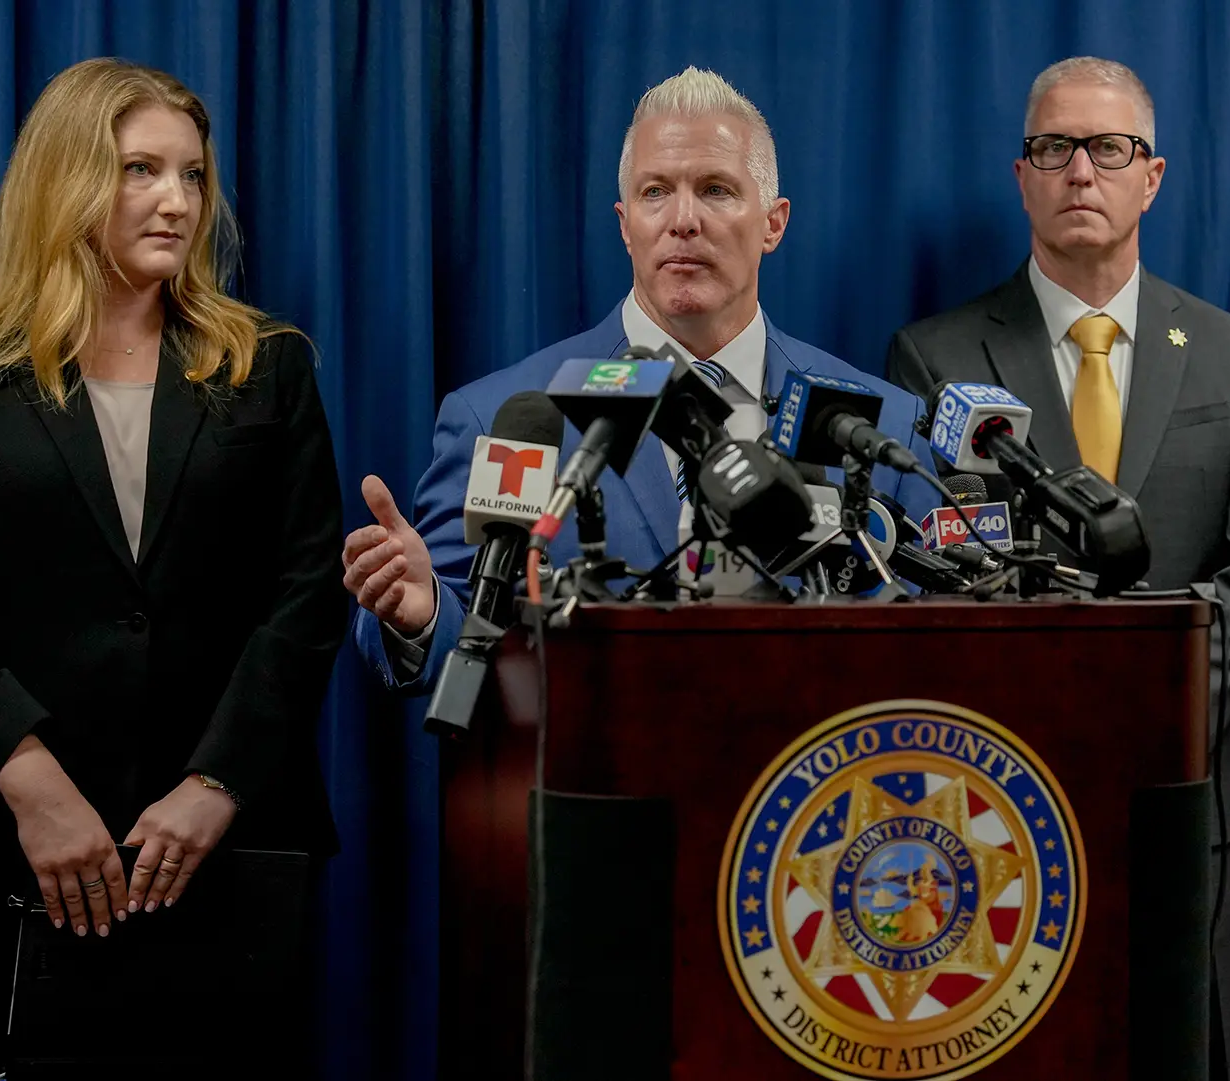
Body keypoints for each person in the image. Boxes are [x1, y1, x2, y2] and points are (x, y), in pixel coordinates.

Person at [0, 58, 345, 1078]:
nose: (177, 201)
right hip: (5, 852)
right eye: (141, 170)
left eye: (190, 175)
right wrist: (33, 784)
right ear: (67, 178)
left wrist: (215, 781)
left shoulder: (271, 364)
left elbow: (305, 600)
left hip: (228, 850)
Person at [886, 56, 1230, 1080]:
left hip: (1192, 787)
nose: (1080, 170)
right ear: (1020, 175)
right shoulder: (935, 358)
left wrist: (1152, 702)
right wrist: (1064, 710)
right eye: (1054, 148)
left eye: (1108, 148)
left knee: (1193, 1050)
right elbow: (936, 573)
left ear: (1150, 176)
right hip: (1007, 789)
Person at [348, 67, 937, 692]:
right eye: (656, 192)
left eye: (715, 189)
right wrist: (424, 612)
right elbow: (459, 650)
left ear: (773, 223)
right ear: (626, 224)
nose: (684, 220)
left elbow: (938, 640)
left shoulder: (881, 423)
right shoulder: (503, 417)